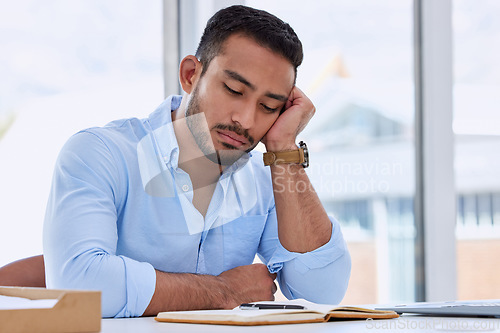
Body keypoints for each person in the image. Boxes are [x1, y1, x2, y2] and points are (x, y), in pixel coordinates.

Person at [43, 5, 351, 318]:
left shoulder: (264, 180)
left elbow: (322, 292)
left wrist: (284, 149)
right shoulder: (101, 153)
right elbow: (78, 285)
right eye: (233, 90)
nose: (245, 120)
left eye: (269, 106)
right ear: (191, 75)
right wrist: (223, 292)